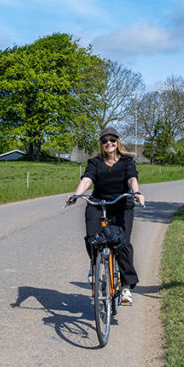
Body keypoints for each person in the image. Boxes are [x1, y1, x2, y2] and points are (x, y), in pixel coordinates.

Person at [66, 127, 145, 306]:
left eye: (112, 140)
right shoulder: (94, 162)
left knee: (122, 242)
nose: (108, 143)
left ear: (117, 142)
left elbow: (132, 179)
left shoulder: (127, 161)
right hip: (98, 203)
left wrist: (137, 192)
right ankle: (95, 265)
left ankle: (126, 286)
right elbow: (87, 179)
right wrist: (76, 194)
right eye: (104, 141)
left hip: (122, 203)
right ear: (101, 144)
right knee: (92, 238)